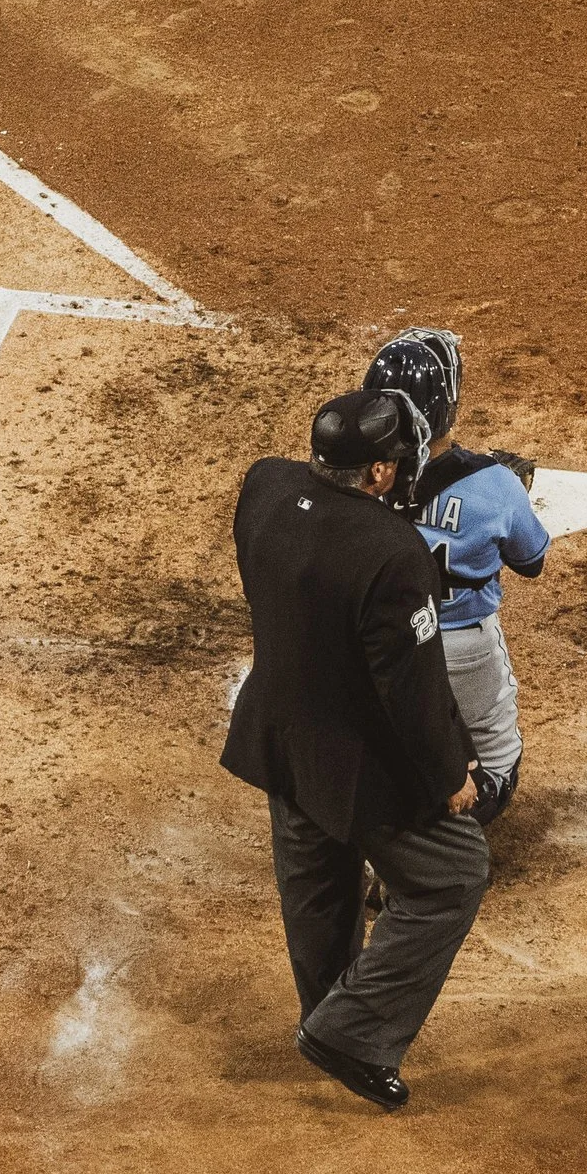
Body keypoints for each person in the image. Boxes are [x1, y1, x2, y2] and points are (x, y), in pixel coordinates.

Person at [221, 388, 489, 1110]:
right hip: (357, 763)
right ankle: (349, 1030)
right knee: (454, 873)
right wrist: (448, 777)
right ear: (375, 474)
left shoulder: (265, 487)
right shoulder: (391, 552)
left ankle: (328, 1017)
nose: (403, 472)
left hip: (279, 730)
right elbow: (410, 687)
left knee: (317, 884)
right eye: (396, 463)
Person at [364, 328, 551, 824]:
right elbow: (532, 560)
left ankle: (367, 826)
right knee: (497, 764)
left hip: (377, 643)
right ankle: (427, 850)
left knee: (379, 736)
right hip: (462, 646)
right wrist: (507, 489)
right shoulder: (495, 484)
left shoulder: (358, 474)